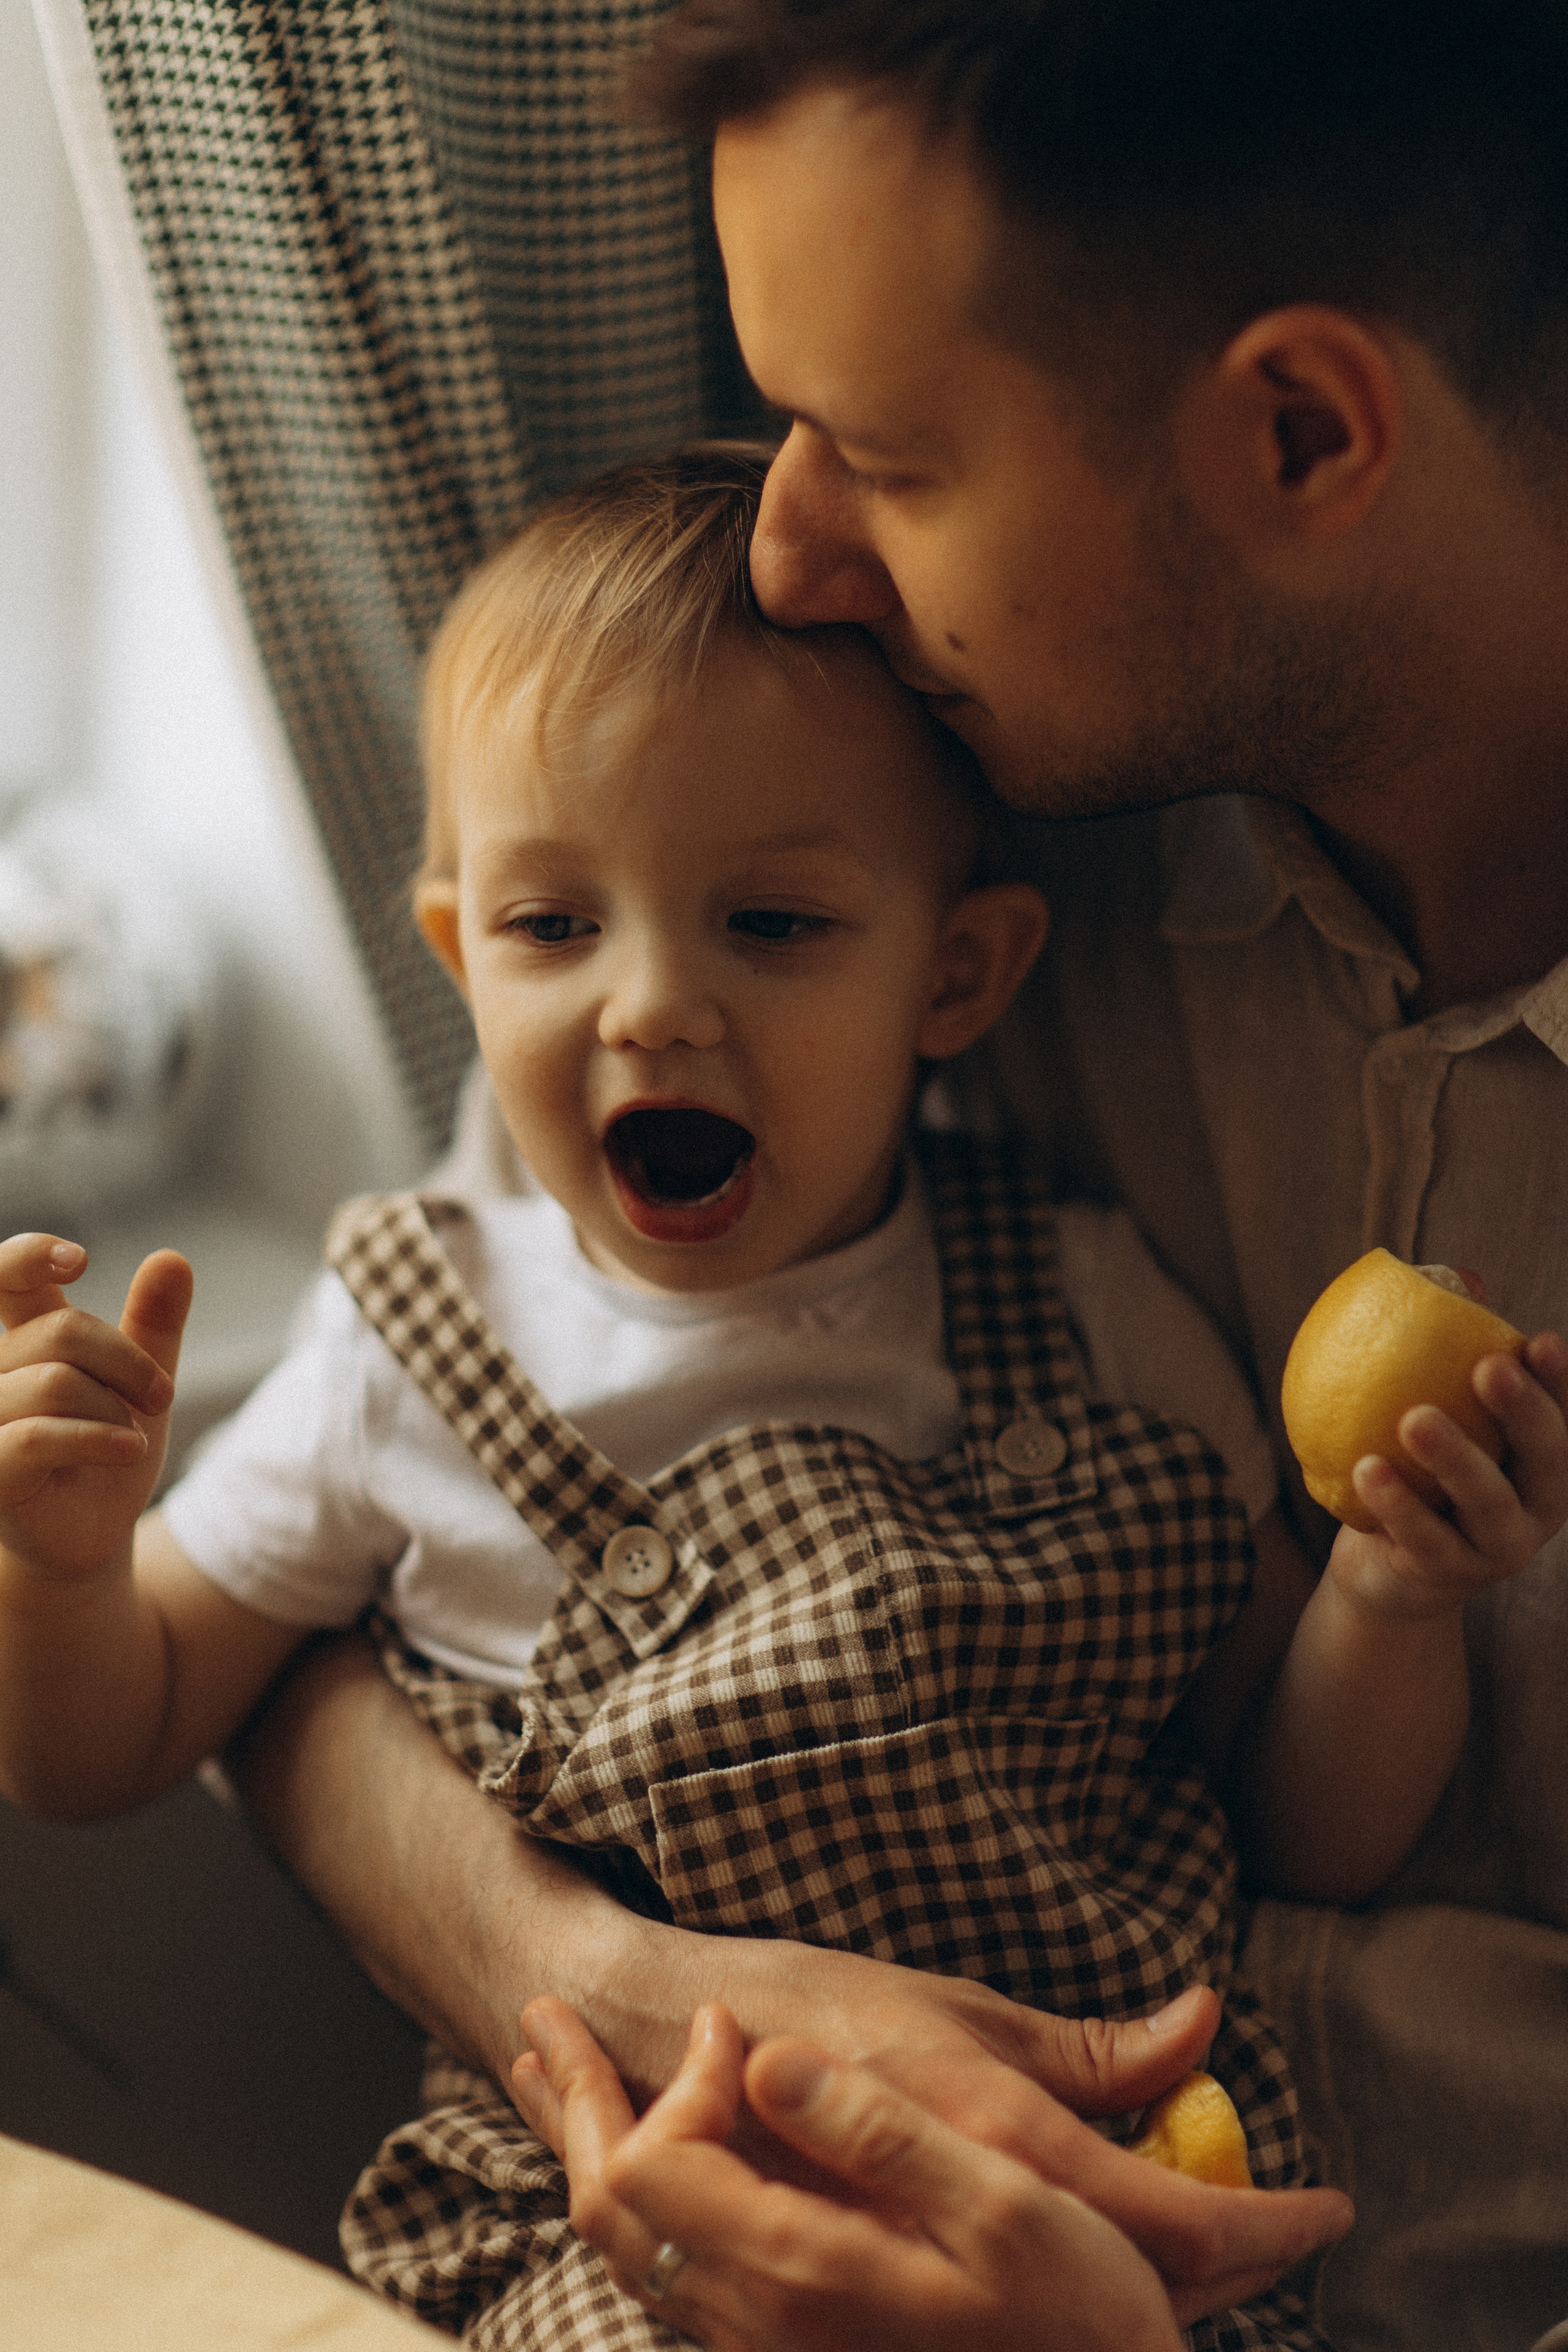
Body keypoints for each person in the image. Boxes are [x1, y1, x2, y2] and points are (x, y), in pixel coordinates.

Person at [60, 1, 1562, 2343]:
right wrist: (623, 1985)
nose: (788, 546)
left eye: (884, 448)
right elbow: (346, 1606)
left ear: (1298, 430)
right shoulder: (893, 783)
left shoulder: (914, 866)